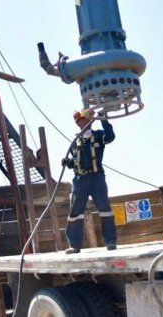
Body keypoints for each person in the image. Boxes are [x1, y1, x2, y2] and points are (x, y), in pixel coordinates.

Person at [62, 108, 117, 253]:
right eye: (80, 120)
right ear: (77, 123)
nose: (83, 122)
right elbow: (75, 162)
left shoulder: (98, 135)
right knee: (75, 212)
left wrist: (103, 120)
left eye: (85, 119)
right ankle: (74, 245)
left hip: (96, 177)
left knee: (104, 209)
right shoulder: (75, 141)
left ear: (89, 120)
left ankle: (110, 242)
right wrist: (68, 163)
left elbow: (110, 137)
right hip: (80, 180)